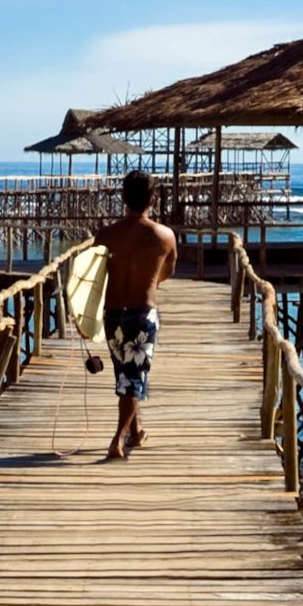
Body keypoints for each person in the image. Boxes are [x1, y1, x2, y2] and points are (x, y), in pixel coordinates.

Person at [96, 170, 177, 459]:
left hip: (113, 314)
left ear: (123, 197)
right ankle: (117, 440)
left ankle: (136, 431)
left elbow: (94, 277)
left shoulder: (104, 236)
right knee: (132, 378)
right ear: (153, 198)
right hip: (143, 315)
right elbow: (168, 271)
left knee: (126, 375)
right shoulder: (164, 236)